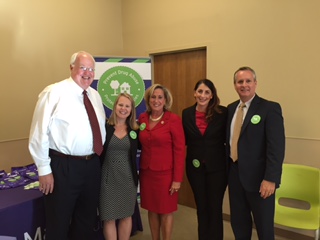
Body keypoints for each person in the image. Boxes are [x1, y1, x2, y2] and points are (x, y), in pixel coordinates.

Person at [28, 51, 106, 240]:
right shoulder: (54, 92)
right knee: (58, 222)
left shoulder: (95, 96)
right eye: (83, 68)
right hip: (63, 167)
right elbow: (39, 133)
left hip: (92, 166)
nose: (87, 73)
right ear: (72, 68)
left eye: (91, 69)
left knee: (85, 220)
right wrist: (44, 169)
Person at [227, 66, 285, 240]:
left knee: (264, 227)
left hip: (261, 181)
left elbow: (276, 147)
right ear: (235, 85)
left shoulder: (269, 108)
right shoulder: (230, 109)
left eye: (248, 81)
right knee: (239, 224)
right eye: (240, 82)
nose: (244, 85)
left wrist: (271, 179)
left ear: (255, 83)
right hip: (235, 175)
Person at [138, 84, 185, 240]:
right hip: (147, 173)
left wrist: (177, 180)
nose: (156, 100)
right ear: (148, 99)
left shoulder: (173, 120)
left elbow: (179, 151)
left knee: (165, 211)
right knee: (151, 210)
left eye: (160, 97)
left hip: (166, 175)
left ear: (165, 100)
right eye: (153, 97)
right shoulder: (143, 118)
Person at [182, 79, 228, 240]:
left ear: (212, 95)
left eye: (207, 92)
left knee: (215, 208)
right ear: (195, 93)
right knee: (201, 207)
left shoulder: (222, 113)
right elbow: (183, 141)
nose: (203, 95)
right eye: (200, 91)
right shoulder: (186, 113)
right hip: (195, 169)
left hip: (218, 169)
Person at [99, 93, 139, 240]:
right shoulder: (105, 127)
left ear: (131, 109)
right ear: (115, 106)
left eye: (127, 106)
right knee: (109, 218)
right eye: (120, 105)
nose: (123, 108)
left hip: (128, 180)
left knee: (126, 216)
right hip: (108, 179)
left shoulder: (135, 130)